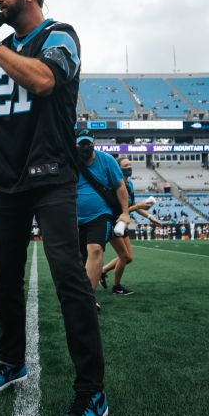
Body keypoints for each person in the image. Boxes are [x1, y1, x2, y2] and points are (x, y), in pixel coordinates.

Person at [0, 0, 108, 416]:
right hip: (4, 180)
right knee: (4, 278)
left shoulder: (60, 35)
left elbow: (43, 81)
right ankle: (11, 361)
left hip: (51, 176)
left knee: (69, 278)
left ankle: (92, 391)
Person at [73, 132, 130, 309]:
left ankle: (88, 299)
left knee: (95, 249)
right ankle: (82, 292)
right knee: (81, 258)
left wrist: (125, 213)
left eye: (87, 144)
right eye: (81, 144)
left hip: (101, 215)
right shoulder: (70, 160)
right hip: (74, 218)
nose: (85, 148)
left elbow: (120, 186)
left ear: (94, 144)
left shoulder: (107, 160)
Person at [101, 156, 161, 295]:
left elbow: (132, 205)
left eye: (130, 164)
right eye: (126, 165)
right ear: (118, 169)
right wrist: (138, 206)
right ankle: (116, 287)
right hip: (113, 222)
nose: (129, 167)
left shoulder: (130, 184)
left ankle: (102, 271)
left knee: (129, 257)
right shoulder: (113, 184)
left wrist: (150, 217)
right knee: (124, 257)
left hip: (122, 223)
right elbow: (120, 209)